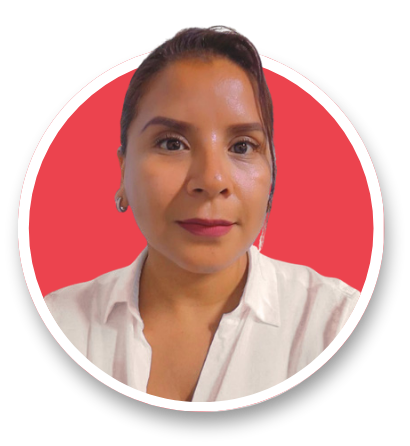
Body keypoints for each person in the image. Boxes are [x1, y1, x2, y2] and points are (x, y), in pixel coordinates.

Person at [45, 25, 360, 402]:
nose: (212, 181)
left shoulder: (336, 324)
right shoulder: (59, 323)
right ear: (123, 171)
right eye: (172, 143)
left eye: (242, 146)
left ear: (272, 172)